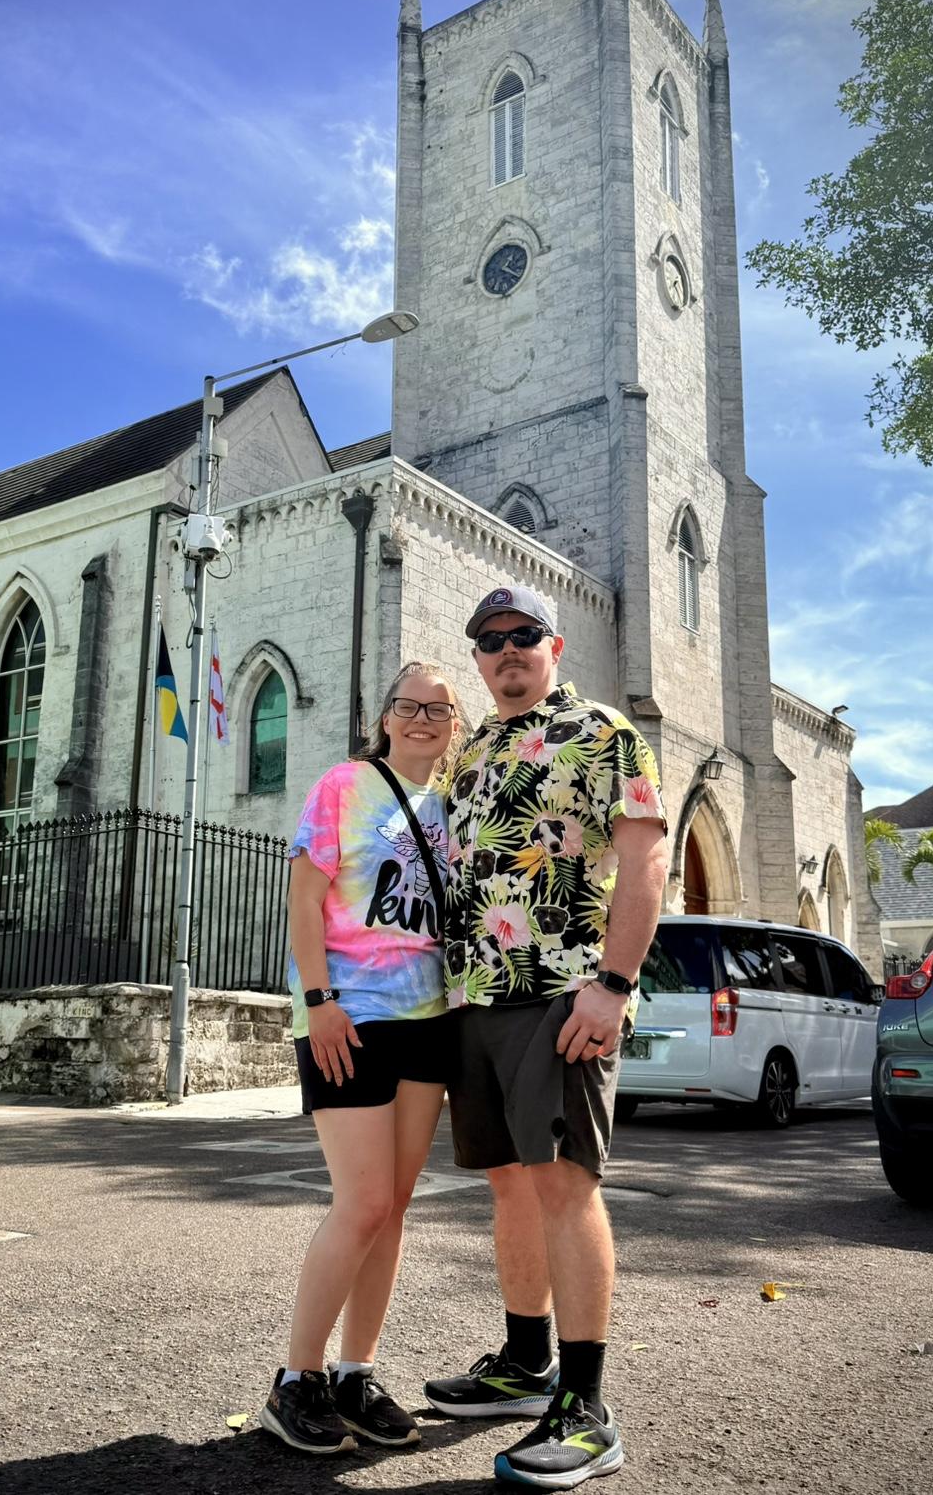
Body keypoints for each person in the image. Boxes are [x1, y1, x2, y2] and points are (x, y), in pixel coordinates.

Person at [426, 585, 668, 1490]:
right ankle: (525, 1362)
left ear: (553, 645)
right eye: (490, 640)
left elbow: (645, 857)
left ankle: (587, 1407)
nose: (507, 650)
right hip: (473, 999)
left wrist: (614, 985)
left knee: (565, 1186)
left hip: (563, 996)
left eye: (523, 634)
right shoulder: (471, 749)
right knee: (510, 1186)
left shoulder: (605, 733)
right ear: (477, 658)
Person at [260, 662, 462, 1456]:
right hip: (349, 1015)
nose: (421, 720)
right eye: (408, 706)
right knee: (363, 1202)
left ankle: (355, 1374)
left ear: (454, 727)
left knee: (394, 1207)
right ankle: (295, 1380)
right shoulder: (344, 786)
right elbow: (304, 899)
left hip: (429, 1018)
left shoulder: (451, 808)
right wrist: (317, 1001)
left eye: (438, 711)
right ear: (386, 718)